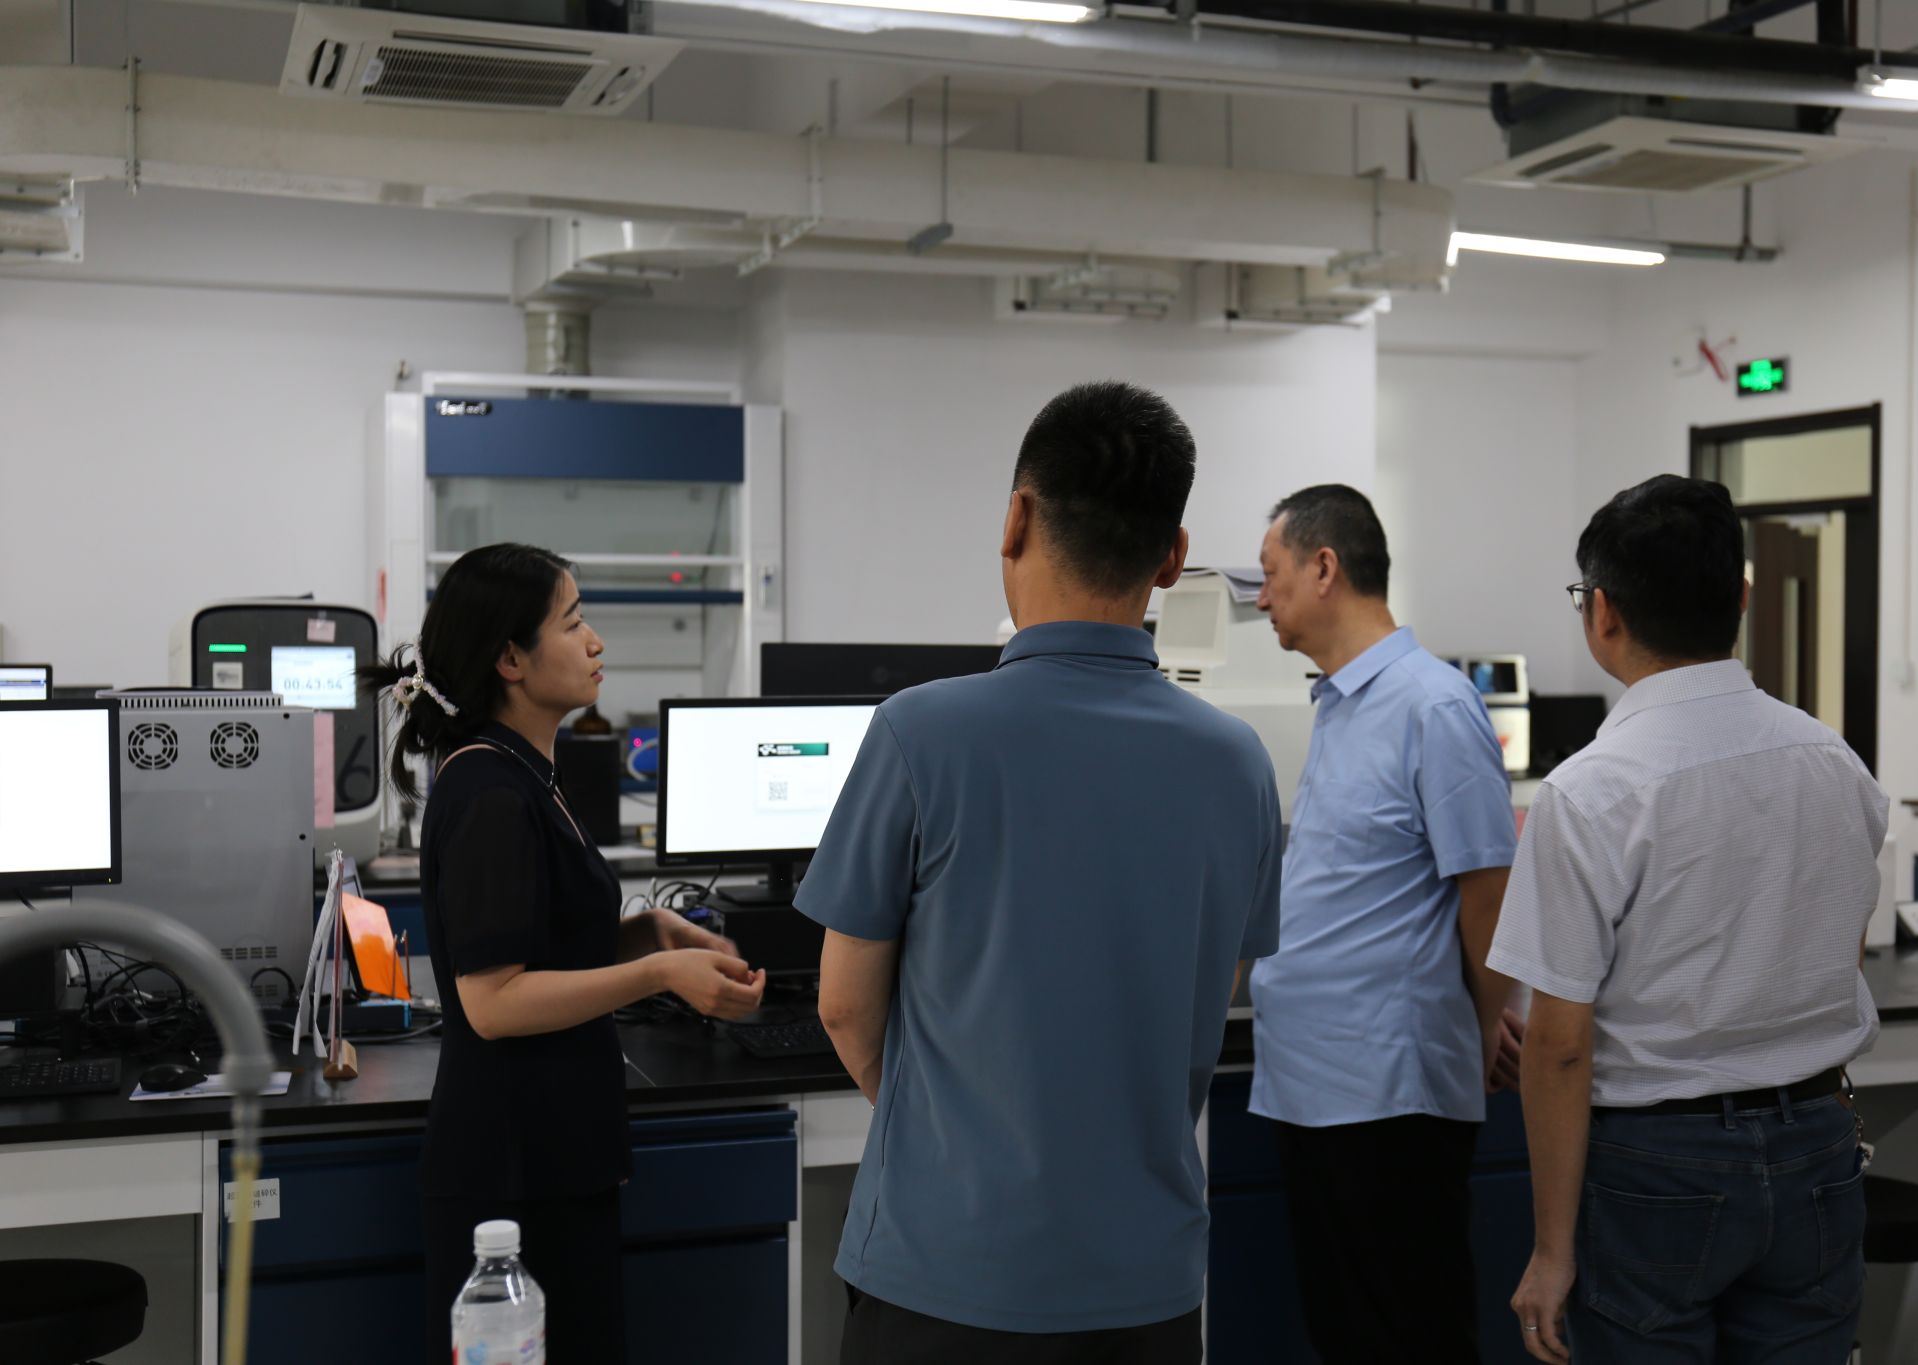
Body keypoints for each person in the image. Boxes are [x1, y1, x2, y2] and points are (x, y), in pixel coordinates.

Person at [794, 382, 1282, 1364]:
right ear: (1173, 557)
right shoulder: (1238, 762)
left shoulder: (921, 732)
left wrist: (943, 1133)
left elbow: (843, 1006)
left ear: (1016, 518)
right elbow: (1215, 986)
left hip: (947, 1272)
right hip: (1142, 1289)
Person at [1490, 475, 1886, 1365]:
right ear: (1741, 599)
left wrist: (1552, 1251)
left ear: (1602, 613)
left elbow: (1559, 1044)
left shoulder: (1590, 790)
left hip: (1658, 1169)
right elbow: (1843, 948)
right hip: (1818, 1145)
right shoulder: (1835, 761)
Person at [365, 543, 768, 1365]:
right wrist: (658, 972)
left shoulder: (526, 773)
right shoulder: (489, 792)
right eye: (573, 621)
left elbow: (543, 943)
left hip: (550, 1156)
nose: (595, 641)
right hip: (509, 1178)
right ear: (510, 658)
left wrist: (650, 931)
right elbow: (493, 1001)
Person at [1247, 483, 1524, 1363]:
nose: (1262, 596)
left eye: (1271, 572)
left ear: (1324, 567)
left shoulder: (1432, 705)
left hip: (1388, 1095)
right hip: (1315, 1083)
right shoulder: (1341, 704)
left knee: (1407, 1336)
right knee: (1347, 1335)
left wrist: (1480, 1023)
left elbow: (1488, 890)